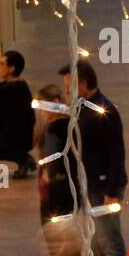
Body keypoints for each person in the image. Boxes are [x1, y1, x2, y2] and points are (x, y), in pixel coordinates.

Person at [59, 59, 127, 256]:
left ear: (84, 84)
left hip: (103, 185)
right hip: (91, 184)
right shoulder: (83, 107)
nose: (66, 90)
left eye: (70, 85)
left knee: (110, 241)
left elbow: (116, 153)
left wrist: (112, 192)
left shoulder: (103, 111)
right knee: (97, 240)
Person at [33, 84, 79, 222]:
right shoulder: (71, 123)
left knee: (53, 231)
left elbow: (51, 155)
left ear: (56, 102)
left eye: (43, 106)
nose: (41, 112)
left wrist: (48, 175)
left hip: (56, 190)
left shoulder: (53, 128)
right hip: (71, 185)